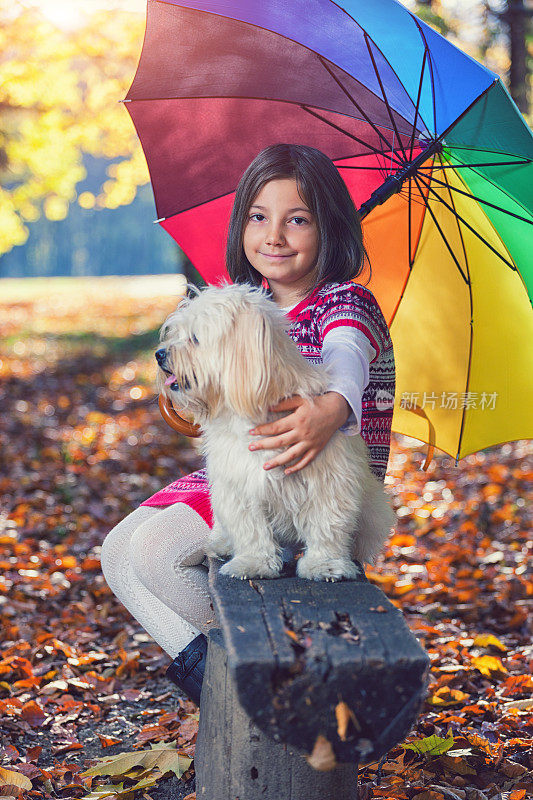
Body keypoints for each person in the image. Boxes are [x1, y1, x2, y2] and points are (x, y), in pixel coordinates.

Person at [100, 143, 395, 706]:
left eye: (298, 219)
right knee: (118, 552)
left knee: (154, 555)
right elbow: (222, 395)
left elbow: (347, 360)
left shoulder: (344, 303)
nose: (274, 236)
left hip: (303, 481)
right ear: (242, 223)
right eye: (259, 217)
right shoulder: (245, 303)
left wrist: (332, 407)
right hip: (248, 475)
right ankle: (232, 682)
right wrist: (189, 387)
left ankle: (262, 674)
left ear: (329, 229)